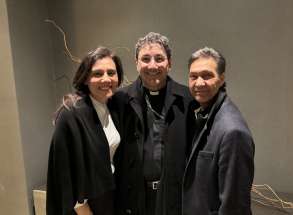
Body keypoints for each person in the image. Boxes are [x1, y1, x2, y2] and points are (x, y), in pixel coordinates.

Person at [114, 32, 192, 215]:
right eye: (145, 59)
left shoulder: (188, 99)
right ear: (136, 63)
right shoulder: (120, 101)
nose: (152, 65)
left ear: (169, 63)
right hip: (135, 198)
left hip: (174, 197)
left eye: (159, 58)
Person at [46, 47, 126, 215]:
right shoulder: (70, 114)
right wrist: (83, 210)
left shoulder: (114, 108)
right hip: (84, 207)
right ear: (85, 79)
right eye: (98, 74)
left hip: (109, 198)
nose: (106, 79)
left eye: (111, 73)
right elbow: (63, 176)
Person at [182, 47, 255, 215]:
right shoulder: (203, 114)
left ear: (221, 79)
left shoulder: (233, 132)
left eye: (207, 75)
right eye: (193, 76)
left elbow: (235, 207)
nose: (199, 83)